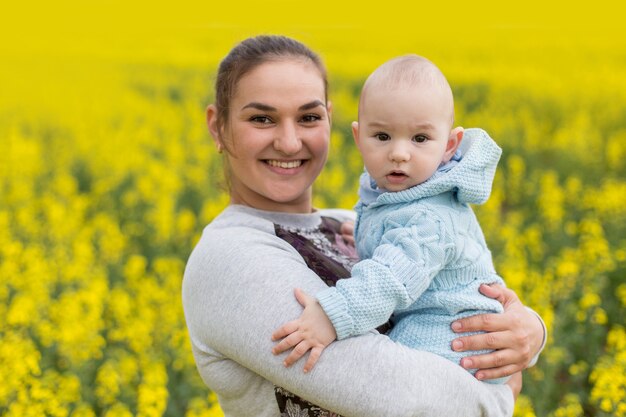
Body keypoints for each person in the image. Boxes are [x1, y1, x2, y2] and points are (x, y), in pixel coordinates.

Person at [182, 35, 547, 417]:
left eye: (308, 117)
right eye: (262, 118)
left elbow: (466, 282)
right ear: (218, 126)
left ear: (330, 120)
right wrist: (503, 393)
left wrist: (530, 333)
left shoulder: (357, 223)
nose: (290, 143)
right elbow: (396, 395)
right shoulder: (230, 259)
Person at [272, 55, 514, 385]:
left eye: (420, 139)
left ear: (449, 145)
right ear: (359, 138)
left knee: (395, 385)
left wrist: (331, 316)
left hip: (452, 341)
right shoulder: (401, 198)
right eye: (383, 137)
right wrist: (367, 236)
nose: (399, 153)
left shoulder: (429, 218)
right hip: (440, 332)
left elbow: (390, 279)